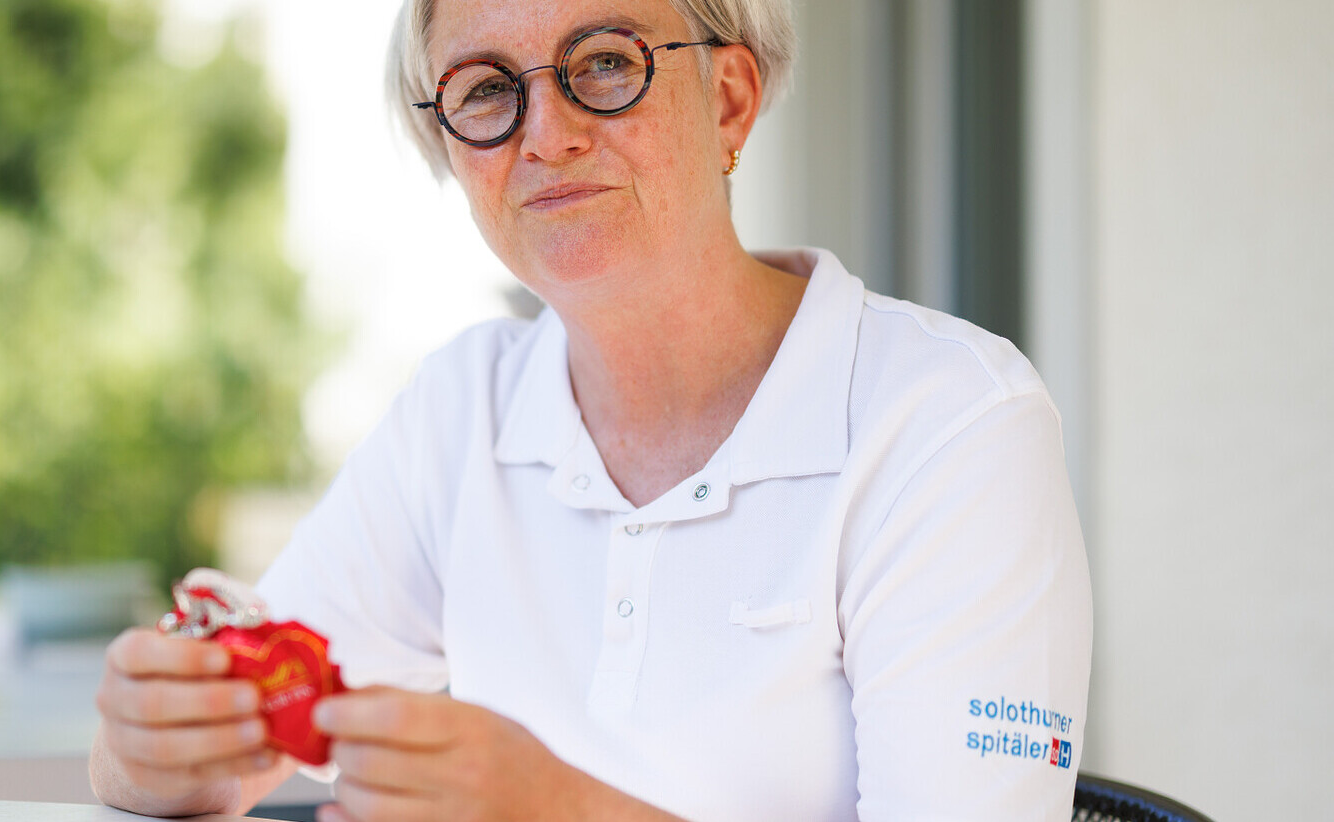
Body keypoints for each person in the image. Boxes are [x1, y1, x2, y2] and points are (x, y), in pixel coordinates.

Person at [89, 0, 1092, 818]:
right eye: (485, 91)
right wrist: (154, 757)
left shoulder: (947, 420)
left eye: (605, 64)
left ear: (730, 101)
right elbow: (237, 741)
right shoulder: (460, 408)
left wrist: (554, 811)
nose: (547, 136)